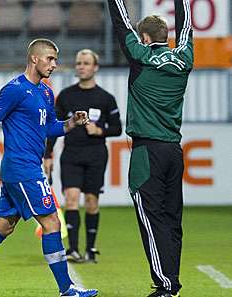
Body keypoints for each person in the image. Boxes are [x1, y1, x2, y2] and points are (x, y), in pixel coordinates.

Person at [0, 39, 98, 297]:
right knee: (51, 222)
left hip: (24, 169)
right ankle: (67, 289)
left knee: (3, 226)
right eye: (50, 59)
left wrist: (71, 122)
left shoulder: (46, 92)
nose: (54, 64)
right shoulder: (15, 90)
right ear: (34, 59)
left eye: (55, 59)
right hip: (22, 169)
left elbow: (51, 127)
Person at [107, 1, 193, 296]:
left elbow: (121, 22)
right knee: (172, 219)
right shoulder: (184, 59)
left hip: (147, 153)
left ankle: (165, 284)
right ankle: (173, 281)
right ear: (165, 37)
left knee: (150, 217)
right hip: (174, 150)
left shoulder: (141, 57)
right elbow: (187, 28)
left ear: (144, 38)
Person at [43, 49, 122, 264]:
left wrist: (100, 130)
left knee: (91, 202)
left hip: (96, 154)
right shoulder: (67, 96)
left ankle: (90, 248)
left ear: (95, 67)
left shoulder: (106, 98)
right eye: (79, 63)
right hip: (71, 154)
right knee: (71, 199)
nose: (81, 66)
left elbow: (117, 128)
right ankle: (73, 249)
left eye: (86, 63)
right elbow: (53, 127)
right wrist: (48, 153)